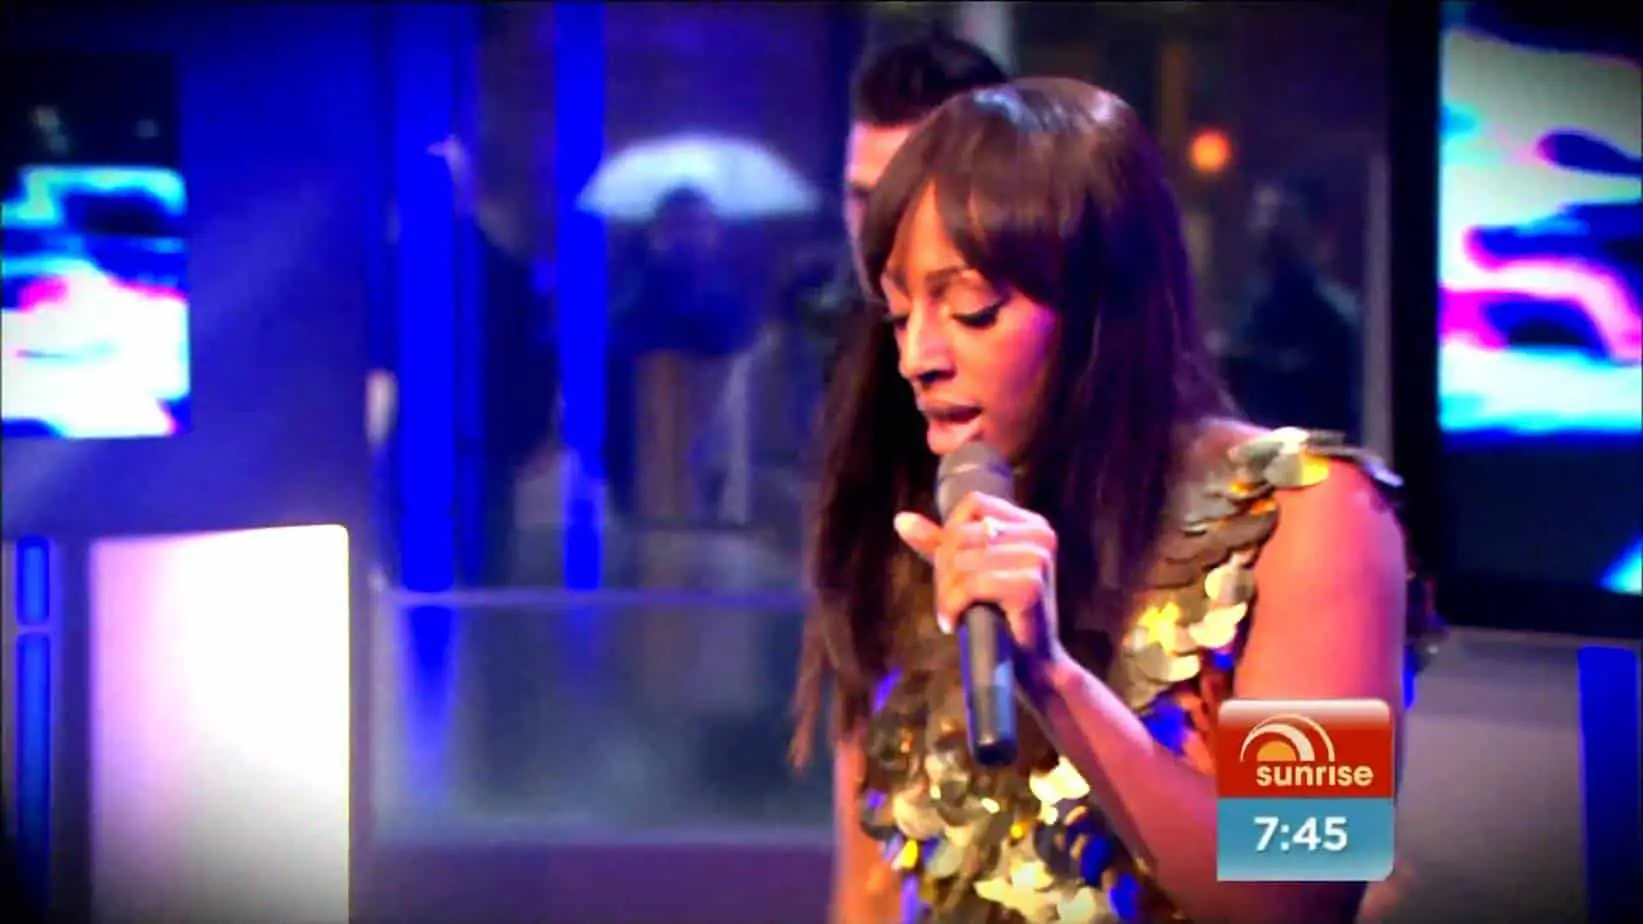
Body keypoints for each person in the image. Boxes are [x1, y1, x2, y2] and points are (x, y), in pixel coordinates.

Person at [790, 78, 1443, 924]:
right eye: (900, 311)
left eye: (972, 309)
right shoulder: (936, 528)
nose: (919, 355)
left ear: (1104, 309)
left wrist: (1053, 680)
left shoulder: (1312, 516)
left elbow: (1304, 890)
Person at [788, 32, 1008, 387]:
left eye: (904, 200)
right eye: (863, 199)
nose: (875, 230)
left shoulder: (1046, 357)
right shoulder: (803, 346)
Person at [1221, 174, 1363, 442]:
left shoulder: (1334, 316)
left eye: (1282, 224)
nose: (1266, 232)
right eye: (1263, 219)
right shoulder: (1255, 306)